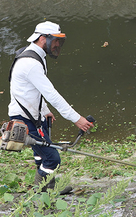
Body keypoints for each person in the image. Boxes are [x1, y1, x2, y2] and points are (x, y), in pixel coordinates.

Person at [8, 21, 92, 194]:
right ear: (42, 38)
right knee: (53, 158)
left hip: (35, 115)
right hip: (25, 118)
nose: (57, 45)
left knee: (41, 154)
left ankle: (50, 185)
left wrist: (44, 110)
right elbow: (52, 94)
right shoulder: (31, 63)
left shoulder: (35, 56)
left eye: (59, 41)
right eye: (55, 41)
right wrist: (77, 119)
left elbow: (33, 90)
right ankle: (41, 190)